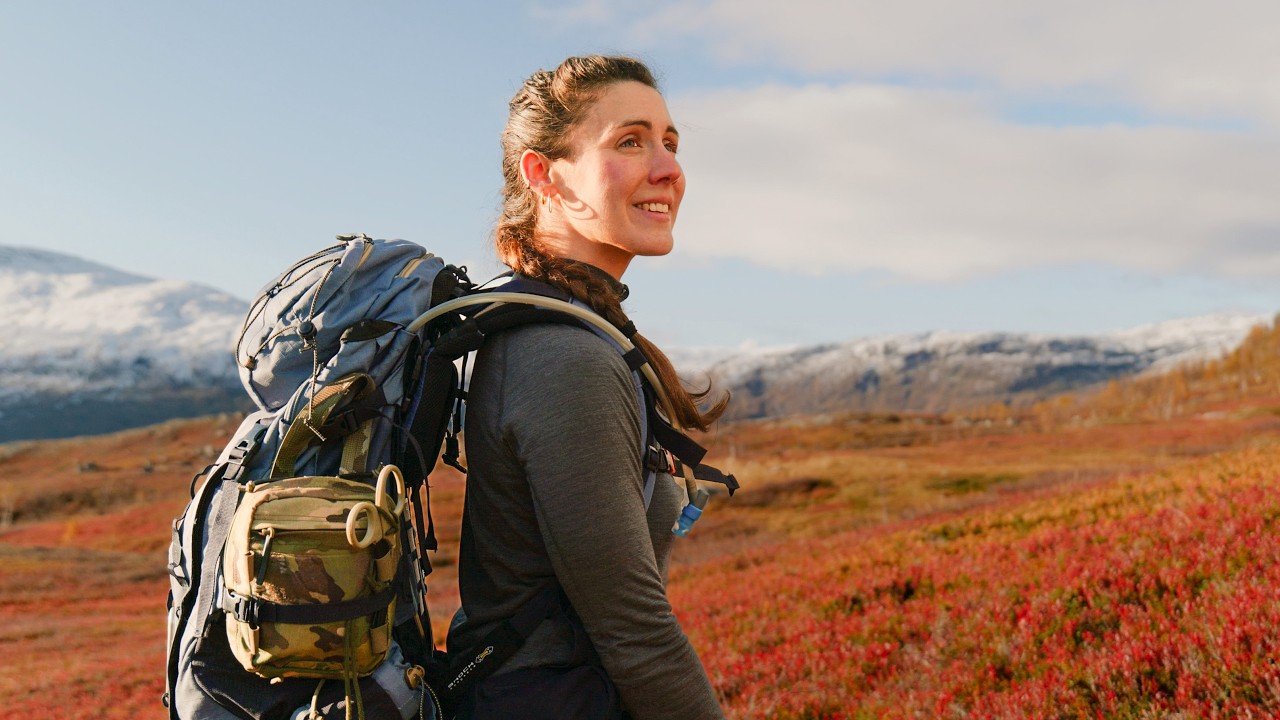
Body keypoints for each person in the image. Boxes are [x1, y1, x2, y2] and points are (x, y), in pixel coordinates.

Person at [446, 55, 729, 720]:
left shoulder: (561, 329)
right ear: (544, 175)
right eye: (629, 142)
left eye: (669, 142)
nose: (668, 168)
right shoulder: (563, 355)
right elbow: (634, 631)